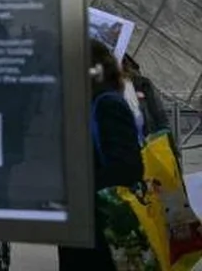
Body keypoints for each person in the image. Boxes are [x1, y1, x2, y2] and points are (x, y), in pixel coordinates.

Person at [57, 39, 145, 270]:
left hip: (102, 230)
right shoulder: (90, 102)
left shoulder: (107, 104)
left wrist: (79, 189)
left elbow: (127, 166)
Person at [122, 54, 169, 135]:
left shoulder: (142, 83)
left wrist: (164, 130)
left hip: (146, 135)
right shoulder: (106, 87)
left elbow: (157, 110)